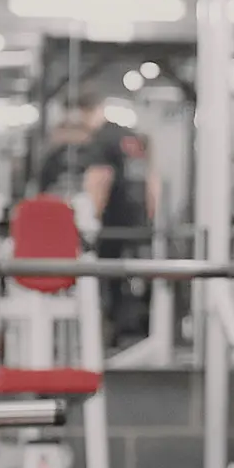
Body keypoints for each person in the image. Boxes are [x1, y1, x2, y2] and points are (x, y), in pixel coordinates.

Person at [75, 93, 159, 346]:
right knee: (139, 276)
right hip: (138, 220)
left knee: (109, 278)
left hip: (112, 223)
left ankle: (114, 335)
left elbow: (100, 179)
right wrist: (149, 216)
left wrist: (91, 221)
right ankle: (141, 332)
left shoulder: (100, 139)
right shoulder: (131, 137)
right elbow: (152, 180)